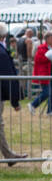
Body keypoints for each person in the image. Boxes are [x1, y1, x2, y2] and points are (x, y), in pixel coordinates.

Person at [0, 25, 28, 164]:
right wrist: (15, 101)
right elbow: (8, 77)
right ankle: (9, 156)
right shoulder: (2, 52)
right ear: (3, 36)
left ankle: (9, 155)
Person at [29, 29, 52, 115]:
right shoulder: (41, 48)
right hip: (45, 73)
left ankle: (50, 110)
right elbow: (38, 59)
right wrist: (49, 58)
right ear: (47, 38)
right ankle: (33, 105)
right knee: (46, 92)